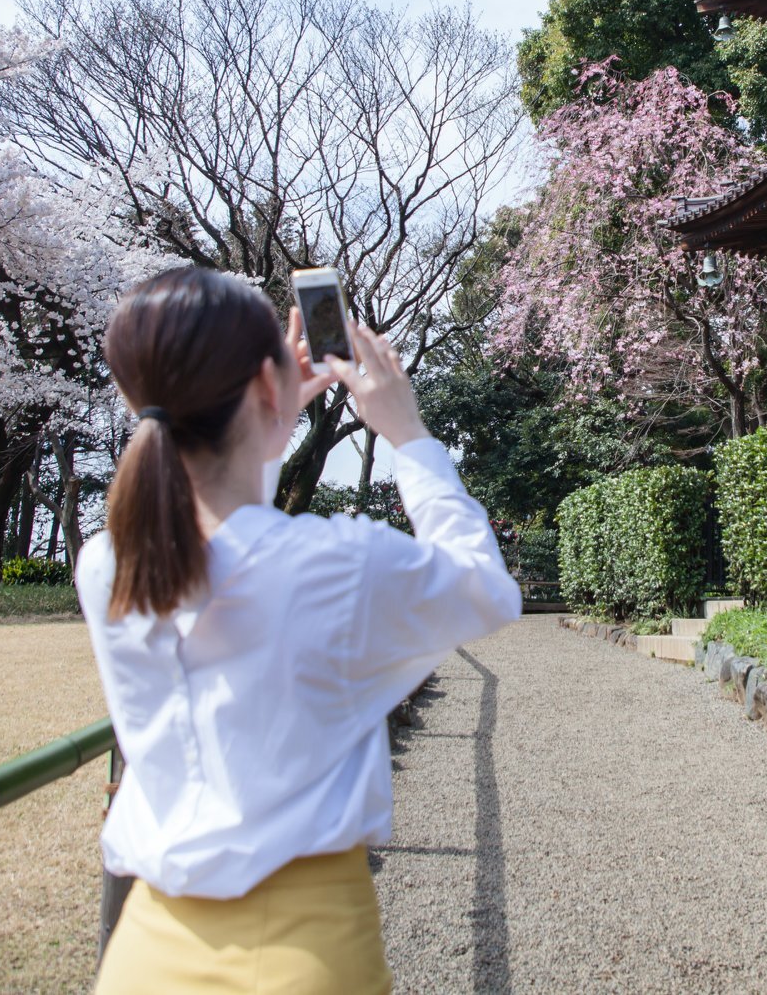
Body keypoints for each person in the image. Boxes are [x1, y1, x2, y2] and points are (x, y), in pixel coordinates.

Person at [78, 266, 521, 993]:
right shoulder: (335, 564)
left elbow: (228, 540)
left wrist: (268, 422)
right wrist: (407, 432)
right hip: (298, 950)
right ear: (263, 384)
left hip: (145, 948)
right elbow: (486, 591)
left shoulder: (108, 565)